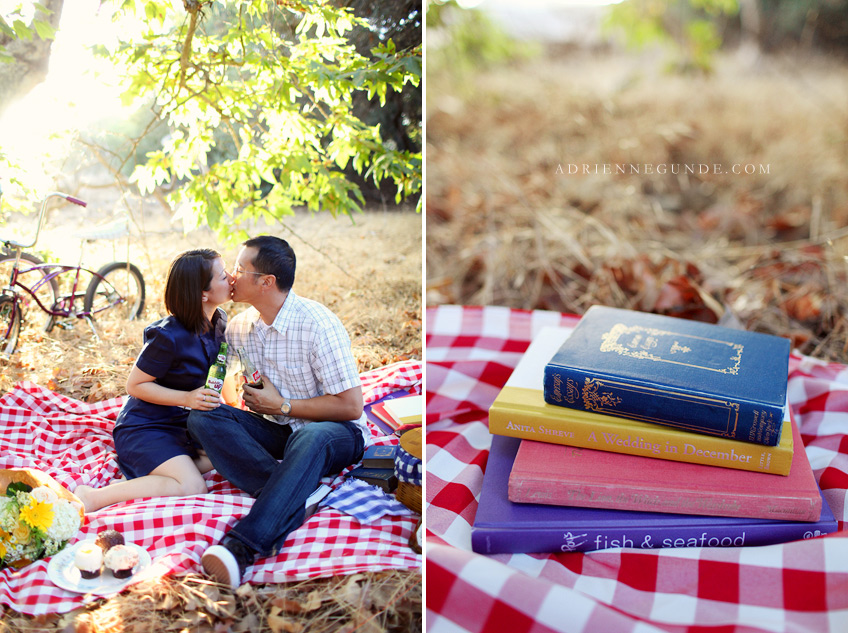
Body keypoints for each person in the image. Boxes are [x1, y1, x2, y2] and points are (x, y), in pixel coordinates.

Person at [187, 235, 369, 589]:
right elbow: (234, 383)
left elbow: (351, 406)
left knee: (311, 436)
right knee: (202, 416)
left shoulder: (318, 324)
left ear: (266, 282)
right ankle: (295, 491)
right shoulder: (240, 329)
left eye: (240, 269)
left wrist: (283, 405)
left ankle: (241, 547)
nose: (233, 276)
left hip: (335, 433)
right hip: (280, 433)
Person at [74, 249, 232, 512]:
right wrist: (187, 398)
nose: (231, 278)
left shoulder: (219, 321)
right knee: (192, 486)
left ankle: (154, 475)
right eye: (223, 275)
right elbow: (134, 386)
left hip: (184, 425)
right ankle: (93, 497)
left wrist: (232, 406)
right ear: (203, 293)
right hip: (147, 427)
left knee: (229, 452)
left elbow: (219, 365)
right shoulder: (167, 336)